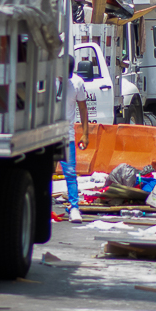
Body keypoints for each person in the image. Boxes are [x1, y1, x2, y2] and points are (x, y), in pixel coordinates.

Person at [61, 56, 91, 223]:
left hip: (67, 136)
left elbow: (83, 108)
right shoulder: (48, 79)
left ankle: (74, 208)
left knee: (70, 173)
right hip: (47, 134)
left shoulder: (77, 83)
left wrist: (85, 134)